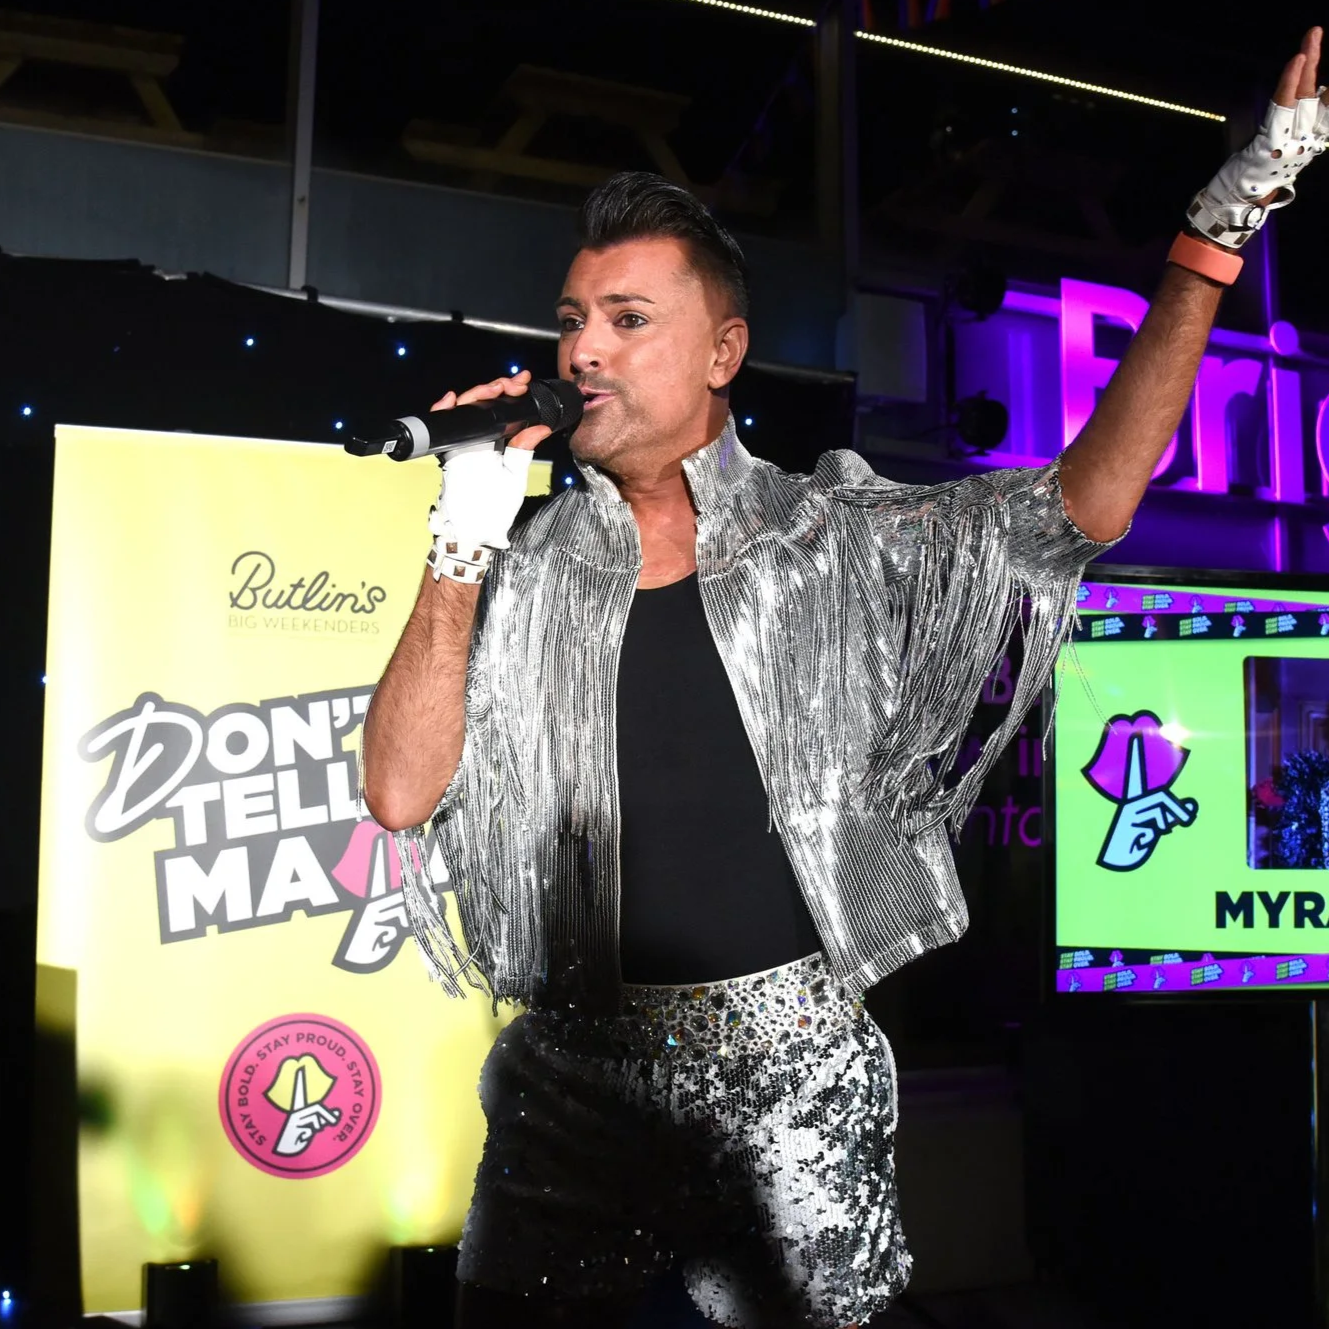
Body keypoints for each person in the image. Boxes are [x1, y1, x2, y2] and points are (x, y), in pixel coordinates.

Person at [363, 30, 1328, 1329]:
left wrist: (1223, 221)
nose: (585, 350)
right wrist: (461, 531)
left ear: (723, 352)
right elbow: (400, 791)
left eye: (630, 321)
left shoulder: (835, 537)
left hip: (794, 1066)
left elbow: (1086, 501)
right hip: (573, 1077)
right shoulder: (518, 568)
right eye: (574, 320)